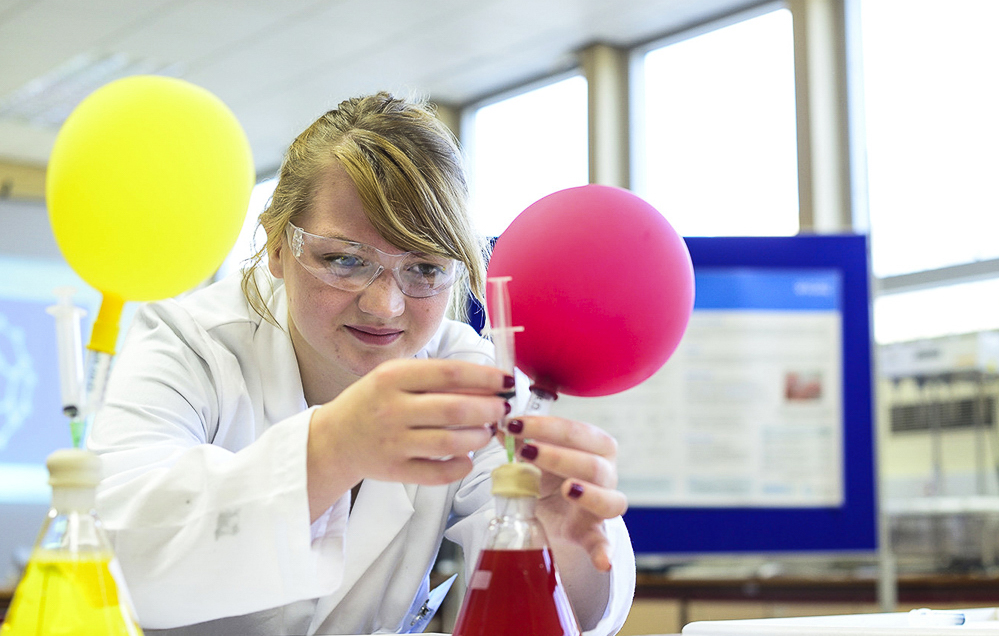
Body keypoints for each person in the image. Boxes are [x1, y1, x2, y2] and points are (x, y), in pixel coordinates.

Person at [87, 92, 635, 635]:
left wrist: (557, 541)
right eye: (344, 260)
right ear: (279, 247)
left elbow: (570, 612)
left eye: (423, 269)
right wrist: (330, 449)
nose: (384, 306)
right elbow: (110, 557)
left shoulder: (469, 377)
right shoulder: (190, 343)